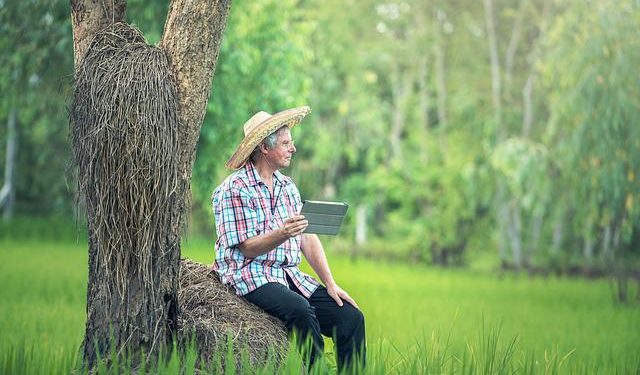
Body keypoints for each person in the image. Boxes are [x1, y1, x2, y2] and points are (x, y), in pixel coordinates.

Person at [211, 106, 366, 371]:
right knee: (301, 311)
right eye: (286, 143)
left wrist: (330, 283)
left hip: (286, 275)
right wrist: (283, 233)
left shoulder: (287, 187)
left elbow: (307, 237)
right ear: (264, 148)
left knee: (350, 317)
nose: (293, 148)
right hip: (248, 274)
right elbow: (247, 249)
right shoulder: (233, 189)